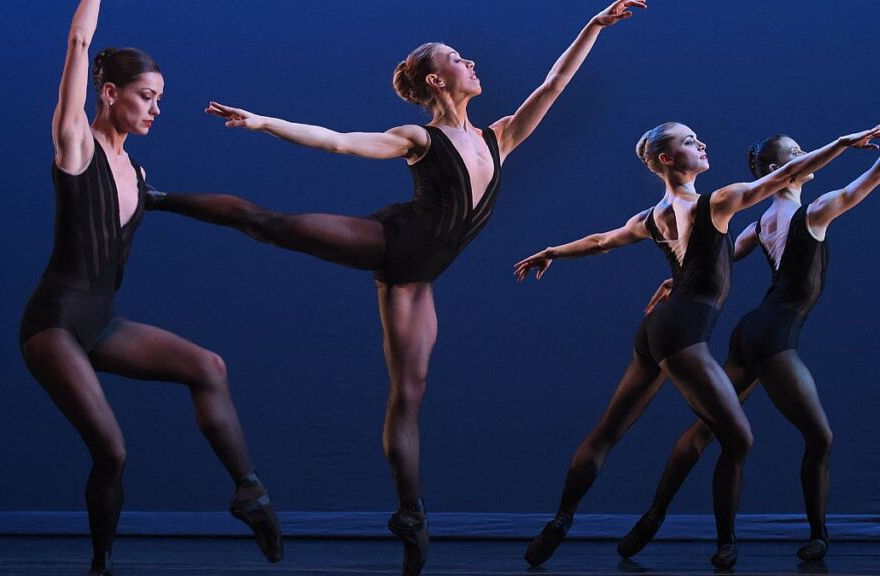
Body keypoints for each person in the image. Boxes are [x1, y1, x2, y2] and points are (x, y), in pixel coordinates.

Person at [146, 2, 647, 573]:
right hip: (391, 240)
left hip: (418, 277)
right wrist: (263, 122)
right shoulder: (419, 137)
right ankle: (157, 197)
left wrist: (593, 27)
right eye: (458, 59)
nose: (472, 61)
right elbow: (339, 142)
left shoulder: (499, 138)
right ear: (437, 79)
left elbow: (555, 84)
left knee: (408, 396)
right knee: (272, 225)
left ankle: (410, 512)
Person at [514, 120, 880, 568]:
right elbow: (779, 177)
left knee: (606, 433)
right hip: (683, 333)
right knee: (738, 439)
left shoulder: (650, 218)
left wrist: (552, 252)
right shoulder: (718, 202)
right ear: (667, 160)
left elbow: (601, 242)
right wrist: (845, 143)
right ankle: (678, 526)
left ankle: (561, 520)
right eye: (690, 141)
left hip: (655, 330)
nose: (703, 143)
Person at [618, 100, 880, 563]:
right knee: (819, 438)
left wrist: (676, 280)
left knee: (708, 431)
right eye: (797, 152)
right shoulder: (816, 211)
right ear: (780, 168)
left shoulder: (759, 224)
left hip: (750, 333)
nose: (806, 156)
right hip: (773, 334)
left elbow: (710, 255)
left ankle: (664, 519)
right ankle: (817, 536)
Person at [19, 2, 283, 573]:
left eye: (160, 98)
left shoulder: (135, 172)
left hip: (102, 323)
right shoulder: (76, 145)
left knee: (208, 366)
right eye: (146, 96)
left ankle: (250, 492)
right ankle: (101, 565)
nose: (157, 108)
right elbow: (78, 44)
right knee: (112, 452)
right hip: (54, 325)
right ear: (109, 93)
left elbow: (186, 205)